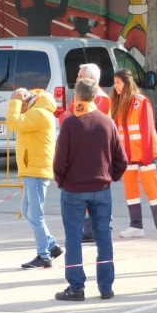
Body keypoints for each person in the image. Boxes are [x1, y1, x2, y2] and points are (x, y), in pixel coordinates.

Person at [53, 78, 128, 301]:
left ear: (76, 96)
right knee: (104, 237)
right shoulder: (107, 122)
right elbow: (121, 159)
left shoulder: (70, 123)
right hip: (102, 188)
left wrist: (61, 180)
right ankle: (106, 287)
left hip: (74, 189)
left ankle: (76, 287)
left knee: (74, 238)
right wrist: (110, 177)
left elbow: (60, 161)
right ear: (96, 96)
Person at [7, 87, 63, 268]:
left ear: (24, 103)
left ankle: (44, 255)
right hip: (33, 168)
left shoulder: (38, 113)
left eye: (19, 105)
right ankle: (51, 245)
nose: (18, 109)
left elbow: (13, 122)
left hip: (36, 170)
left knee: (36, 214)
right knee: (28, 210)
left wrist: (15, 101)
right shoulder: (36, 112)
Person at [111, 69, 157, 239]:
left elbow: (148, 130)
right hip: (127, 157)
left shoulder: (141, 102)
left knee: (152, 190)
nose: (115, 87)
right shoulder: (117, 104)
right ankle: (135, 226)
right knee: (131, 191)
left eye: (118, 83)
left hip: (144, 156)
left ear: (127, 83)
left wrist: (146, 157)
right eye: (115, 83)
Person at [59, 63, 111, 243]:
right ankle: (91, 229)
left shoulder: (101, 98)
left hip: (93, 155)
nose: (76, 79)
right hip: (82, 151)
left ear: (90, 78)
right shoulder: (79, 96)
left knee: (93, 196)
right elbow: (64, 118)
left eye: (80, 76)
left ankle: (97, 228)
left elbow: (85, 123)